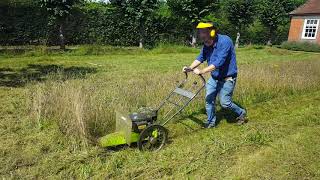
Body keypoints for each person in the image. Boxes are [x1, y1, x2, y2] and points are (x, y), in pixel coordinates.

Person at [183, 22, 247, 128]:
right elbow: (200, 57)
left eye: (203, 32)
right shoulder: (206, 43)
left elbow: (219, 62)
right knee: (209, 99)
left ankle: (241, 113)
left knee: (225, 103)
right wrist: (190, 68)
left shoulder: (225, 41)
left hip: (227, 78)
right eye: (200, 32)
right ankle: (211, 123)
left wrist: (202, 71)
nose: (200, 35)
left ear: (211, 32)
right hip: (214, 77)